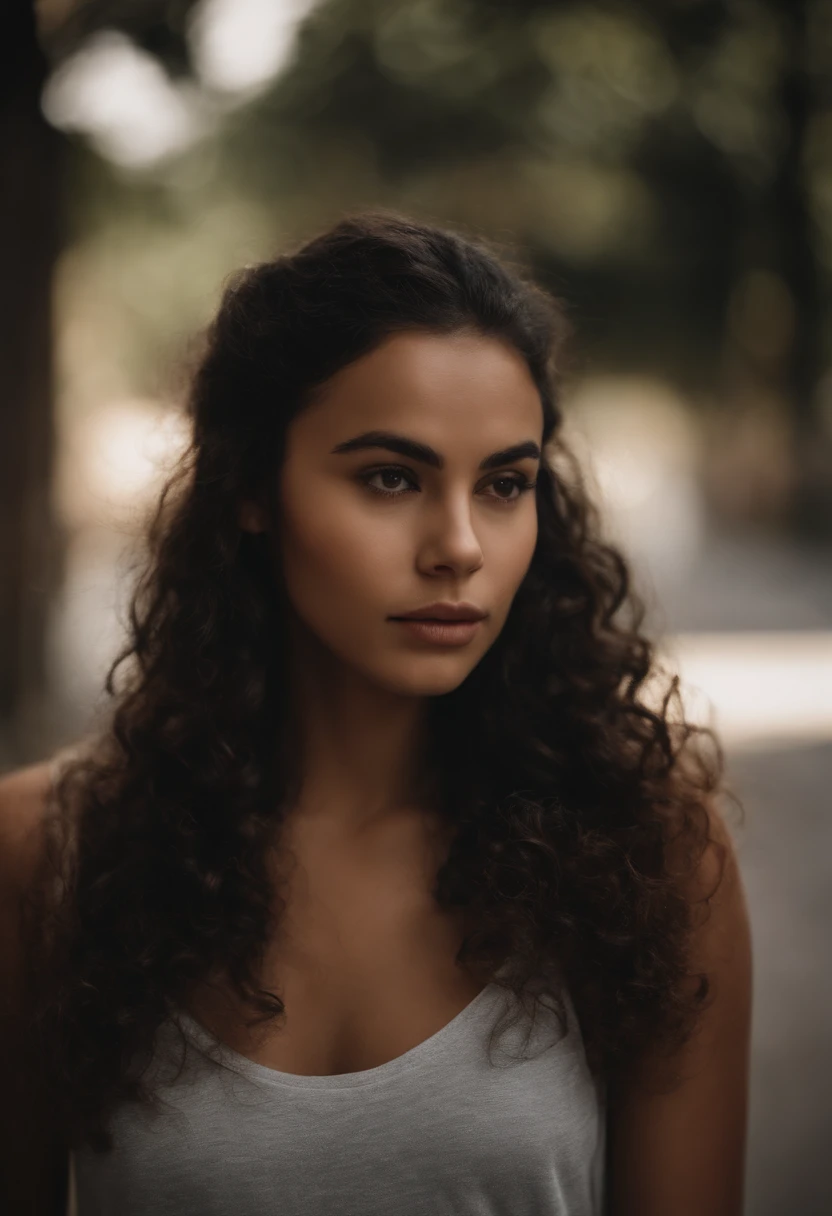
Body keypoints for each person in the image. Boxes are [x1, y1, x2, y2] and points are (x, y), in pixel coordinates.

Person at [0, 210, 752, 1215]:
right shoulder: (45, 857)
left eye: (504, 484)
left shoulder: (646, 852)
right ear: (251, 489)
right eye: (390, 477)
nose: (458, 546)